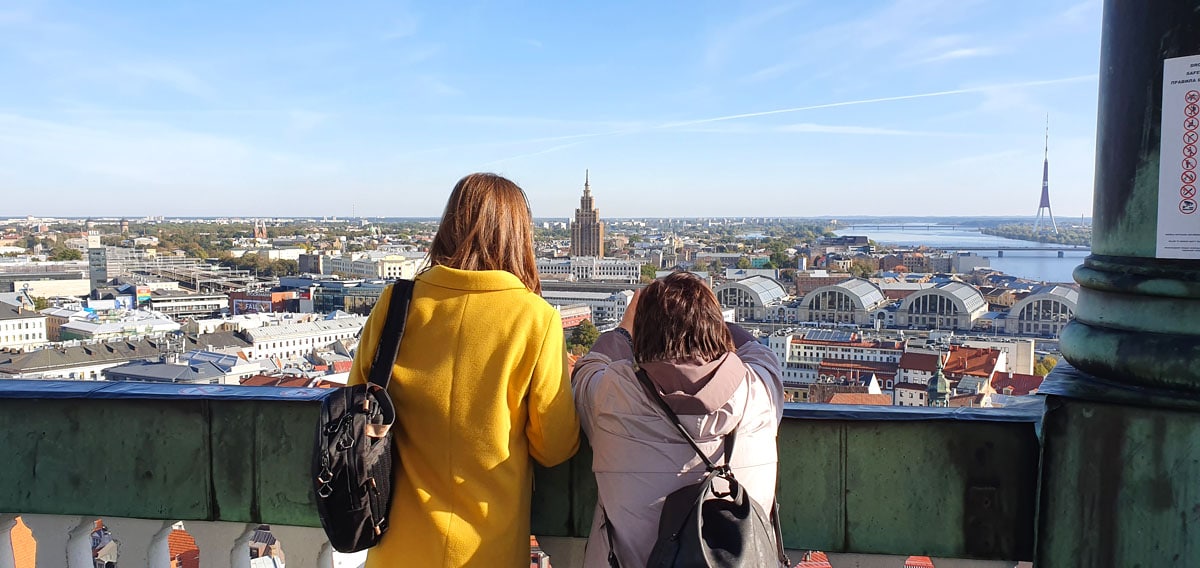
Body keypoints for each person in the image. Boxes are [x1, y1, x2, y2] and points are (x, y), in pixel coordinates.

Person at [347, 173, 580, 567]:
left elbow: (355, 407)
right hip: (487, 550)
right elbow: (554, 447)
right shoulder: (534, 319)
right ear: (518, 235)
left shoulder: (397, 303)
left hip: (395, 549)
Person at [572, 272, 785, 567]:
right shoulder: (760, 390)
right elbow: (756, 351)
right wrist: (706, 312)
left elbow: (587, 369)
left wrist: (624, 330)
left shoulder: (612, 395)